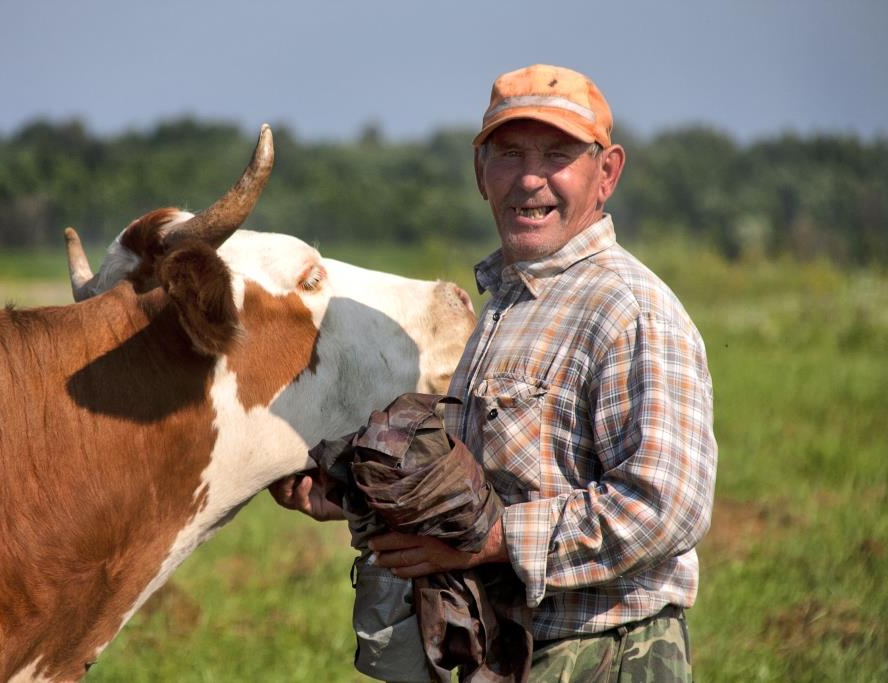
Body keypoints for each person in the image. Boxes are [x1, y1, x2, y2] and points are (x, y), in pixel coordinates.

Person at [271, 64, 717, 681]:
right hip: (509, 650)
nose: (530, 179)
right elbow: (494, 479)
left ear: (606, 172)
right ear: (480, 172)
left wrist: (496, 539)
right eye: (508, 153)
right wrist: (357, 500)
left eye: (557, 154)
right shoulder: (511, 302)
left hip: (603, 653)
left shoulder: (629, 310)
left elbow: (664, 507)